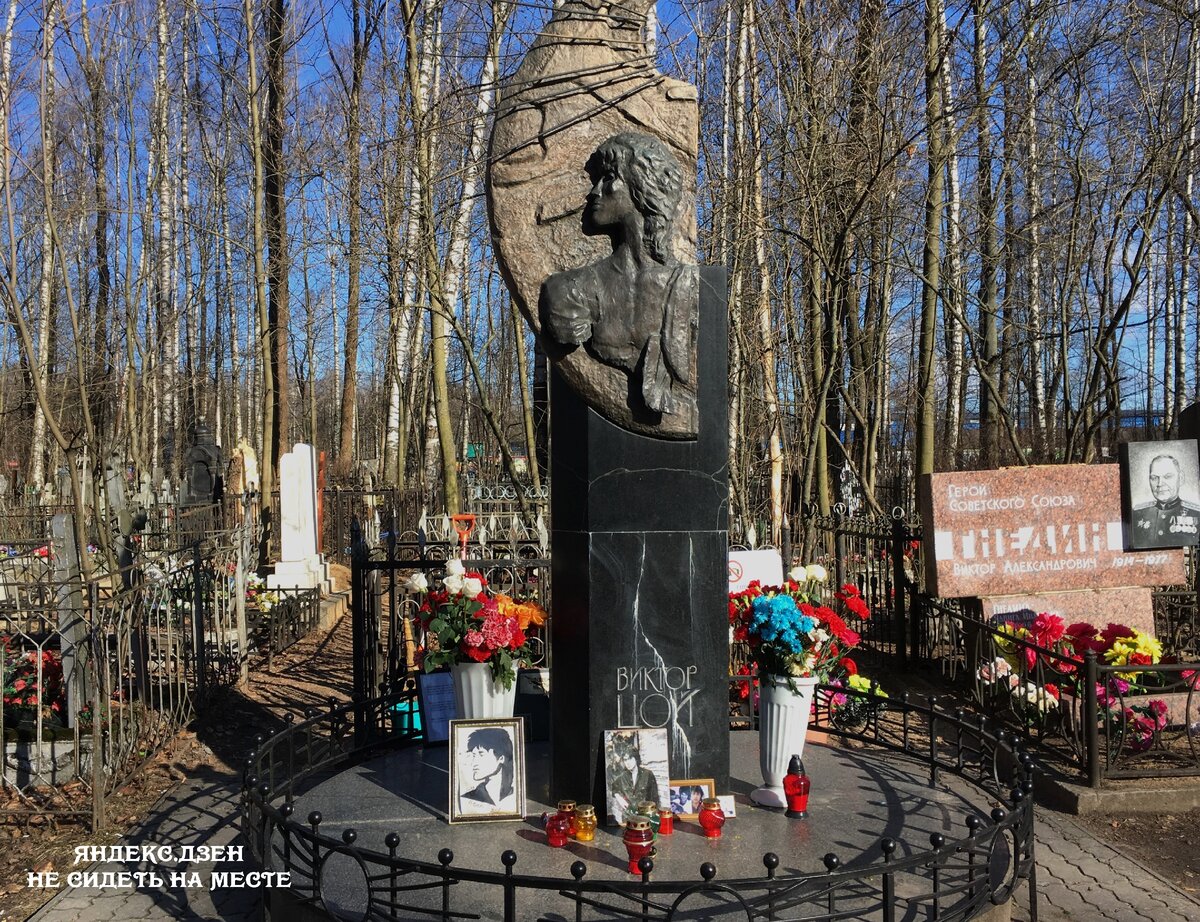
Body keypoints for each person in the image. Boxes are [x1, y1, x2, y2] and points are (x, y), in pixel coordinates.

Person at [539, 131, 699, 427]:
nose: (594, 192)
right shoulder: (569, 292)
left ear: (642, 187)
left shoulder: (692, 288)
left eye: (608, 177)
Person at [1131, 453, 1200, 548]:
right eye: (1154, 478)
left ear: (1181, 478)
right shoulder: (1137, 514)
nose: (1160, 483)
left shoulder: (1196, 513)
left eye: (1168, 476)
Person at [459, 727, 516, 813]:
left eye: (481, 754)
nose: (474, 762)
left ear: (501, 758)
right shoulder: (469, 798)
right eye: (474, 755)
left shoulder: (515, 795)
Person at [607, 737, 660, 822]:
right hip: (628, 819)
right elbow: (613, 788)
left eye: (630, 759)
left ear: (636, 758)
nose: (627, 762)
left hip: (645, 817)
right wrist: (618, 797)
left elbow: (655, 798)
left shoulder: (648, 774)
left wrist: (655, 818)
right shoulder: (621, 777)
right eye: (625, 760)